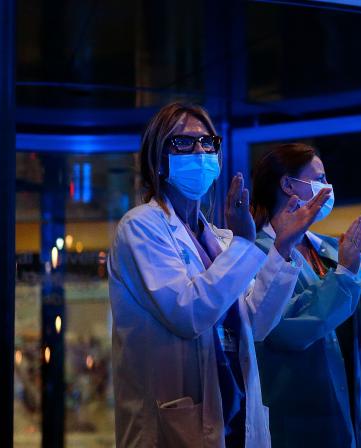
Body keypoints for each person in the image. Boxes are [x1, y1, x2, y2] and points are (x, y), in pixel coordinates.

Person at [107, 104, 330, 447]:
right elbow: (189, 312)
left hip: (234, 419)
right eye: (183, 143)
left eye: (208, 143)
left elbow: (256, 324)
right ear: (157, 159)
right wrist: (248, 246)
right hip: (170, 425)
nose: (200, 152)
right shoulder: (141, 227)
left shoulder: (220, 239)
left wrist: (283, 246)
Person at [250, 143, 361, 448]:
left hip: (352, 409)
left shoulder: (331, 249)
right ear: (287, 184)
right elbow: (286, 329)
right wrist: (344, 275)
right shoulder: (255, 254)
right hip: (295, 417)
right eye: (318, 178)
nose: (327, 187)